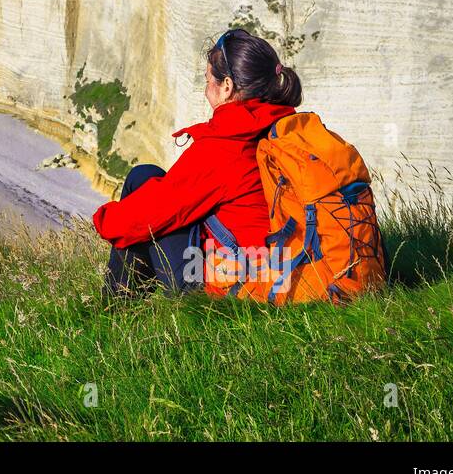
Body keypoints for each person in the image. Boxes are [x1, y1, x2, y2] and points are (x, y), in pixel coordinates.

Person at [94, 28, 303, 296]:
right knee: (152, 183)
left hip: (242, 288)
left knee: (143, 186)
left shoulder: (228, 144)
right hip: (286, 269)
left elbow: (148, 214)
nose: (206, 90)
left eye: (207, 80)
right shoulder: (285, 126)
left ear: (227, 86)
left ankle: (113, 310)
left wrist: (103, 219)